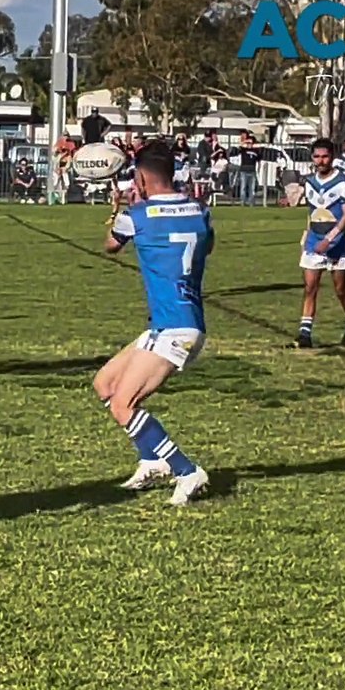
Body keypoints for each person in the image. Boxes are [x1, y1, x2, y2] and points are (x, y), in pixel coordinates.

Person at [93, 140, 213, 505]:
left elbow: (111, 246)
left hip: (176, 329)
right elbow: (205, 247)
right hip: (176, 321)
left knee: (122, 405)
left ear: (142, 177)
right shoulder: (201, 210)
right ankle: (150, 460)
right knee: (105, 384)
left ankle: (186, 470)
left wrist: (120, 211)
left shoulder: (137, 216)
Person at [296, 138, 345, 348]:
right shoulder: (310, 182)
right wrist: (306, 234)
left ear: (332, 157)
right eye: (317, 157)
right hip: (314, 242)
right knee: (310, 287)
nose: (320, 161)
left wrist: (329, 240)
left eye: (325, 156)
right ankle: (305, 334)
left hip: (337, 245)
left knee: (340, 289)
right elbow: (311, 212)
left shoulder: (343, 182)